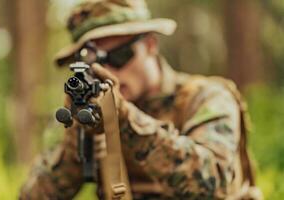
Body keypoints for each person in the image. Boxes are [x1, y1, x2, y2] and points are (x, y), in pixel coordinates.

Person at [20, 0, 263, 199]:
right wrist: (77, 141)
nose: (110, 73)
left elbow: (213, 182)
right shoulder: (92, 116)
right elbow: (34, 195)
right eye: (96, 64)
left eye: (119, 56)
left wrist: (126, 121)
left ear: (150, 45)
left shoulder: (205, 97)